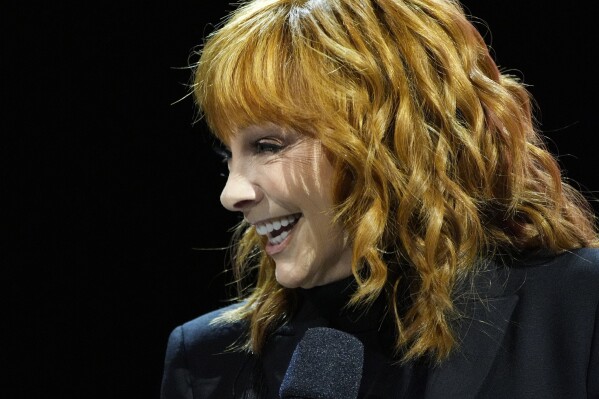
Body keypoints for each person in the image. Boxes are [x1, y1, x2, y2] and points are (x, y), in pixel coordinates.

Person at [161, 0, 599, 397]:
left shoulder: (580, 308)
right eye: (229, 156)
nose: (231, 193)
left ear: (391, 139)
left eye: (268, 146)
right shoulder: (206, 363)